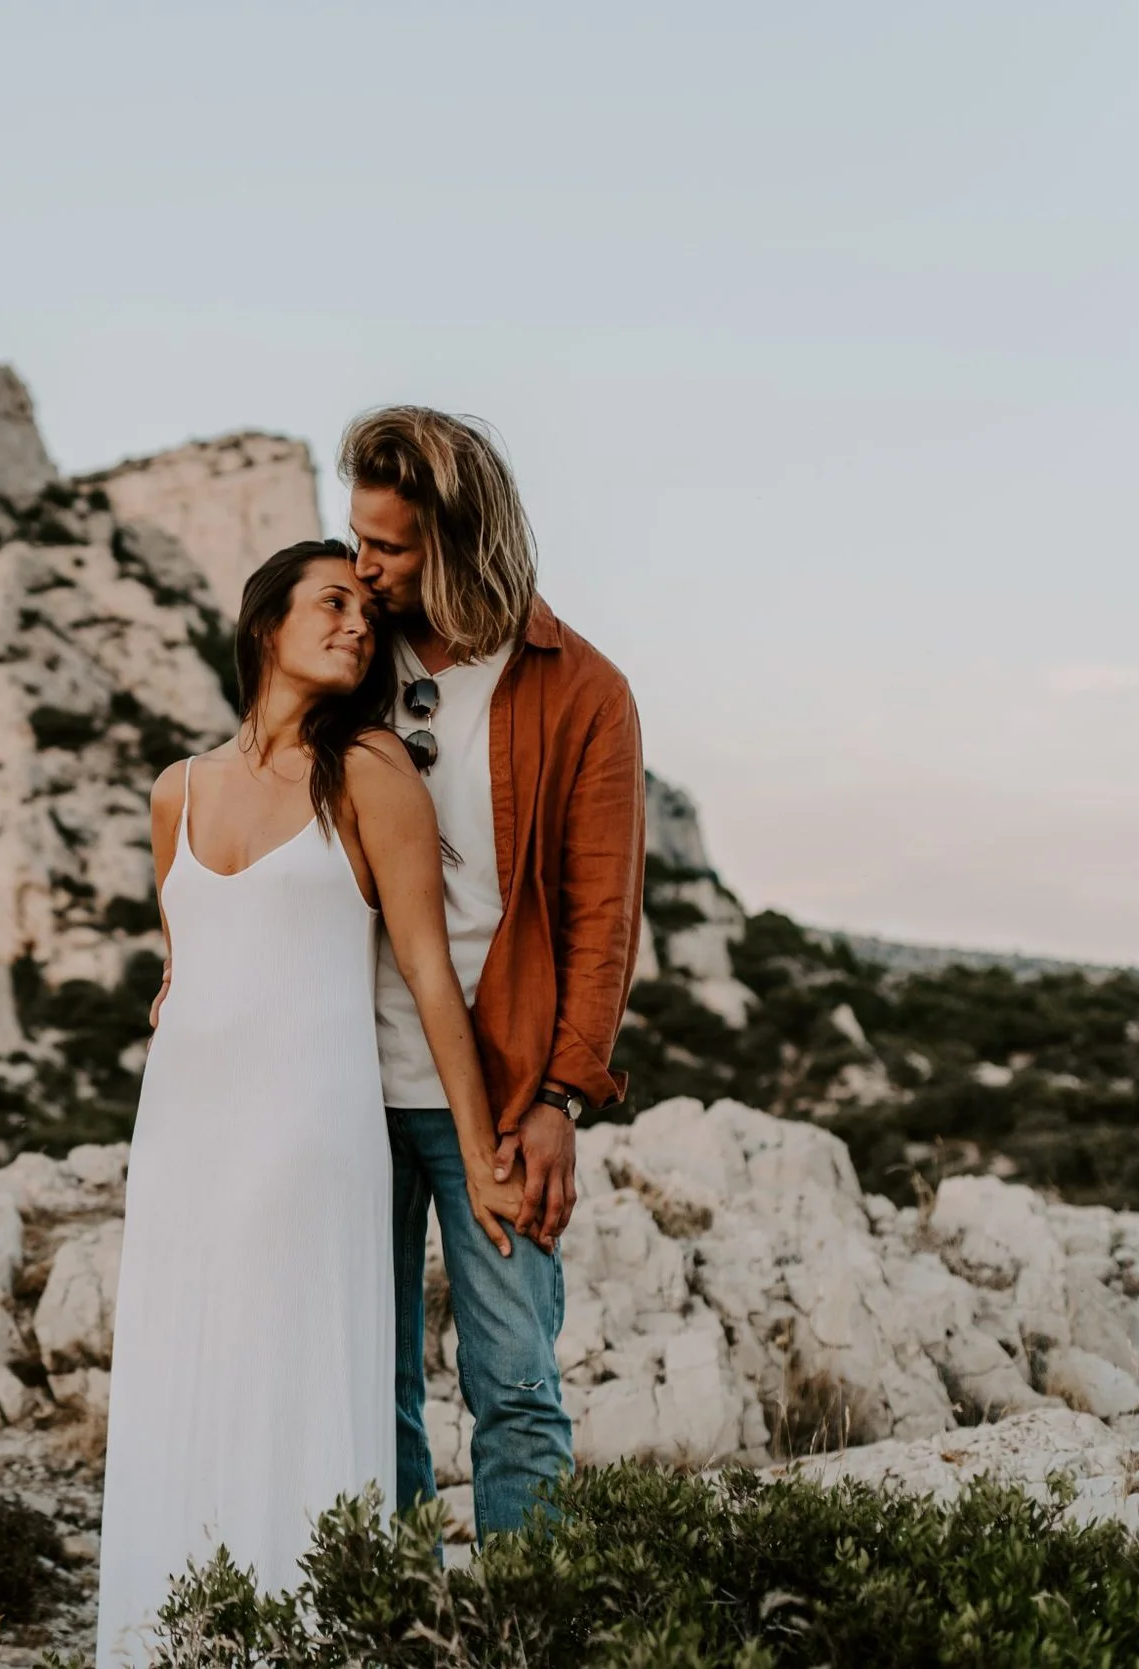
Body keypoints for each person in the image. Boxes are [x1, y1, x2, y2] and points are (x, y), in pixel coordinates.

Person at [93, 540, 523, 1666]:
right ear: (264, 625)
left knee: (292, 1384)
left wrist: (479, 1149)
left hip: (308, 1132)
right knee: (185, 1376)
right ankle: (174, 1639)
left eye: (367, 615)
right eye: (332, 603)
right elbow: (185, 962)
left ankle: (303, 1641)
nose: (358, 625)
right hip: (183, 1136)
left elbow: (428, 971)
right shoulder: (176, 791)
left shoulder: (370, 769)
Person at [339, 407, 645, 1537]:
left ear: (459, 545)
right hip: (347, 1085)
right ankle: (394, 1609)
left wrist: (564, 1097)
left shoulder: (584, 691)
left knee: (514, 1385)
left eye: (388, 547)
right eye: (356, 538)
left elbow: (603, 917)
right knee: (366, 1384)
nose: (362, 567)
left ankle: (531, 1616)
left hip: (507, 1097)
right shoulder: (346, 663)